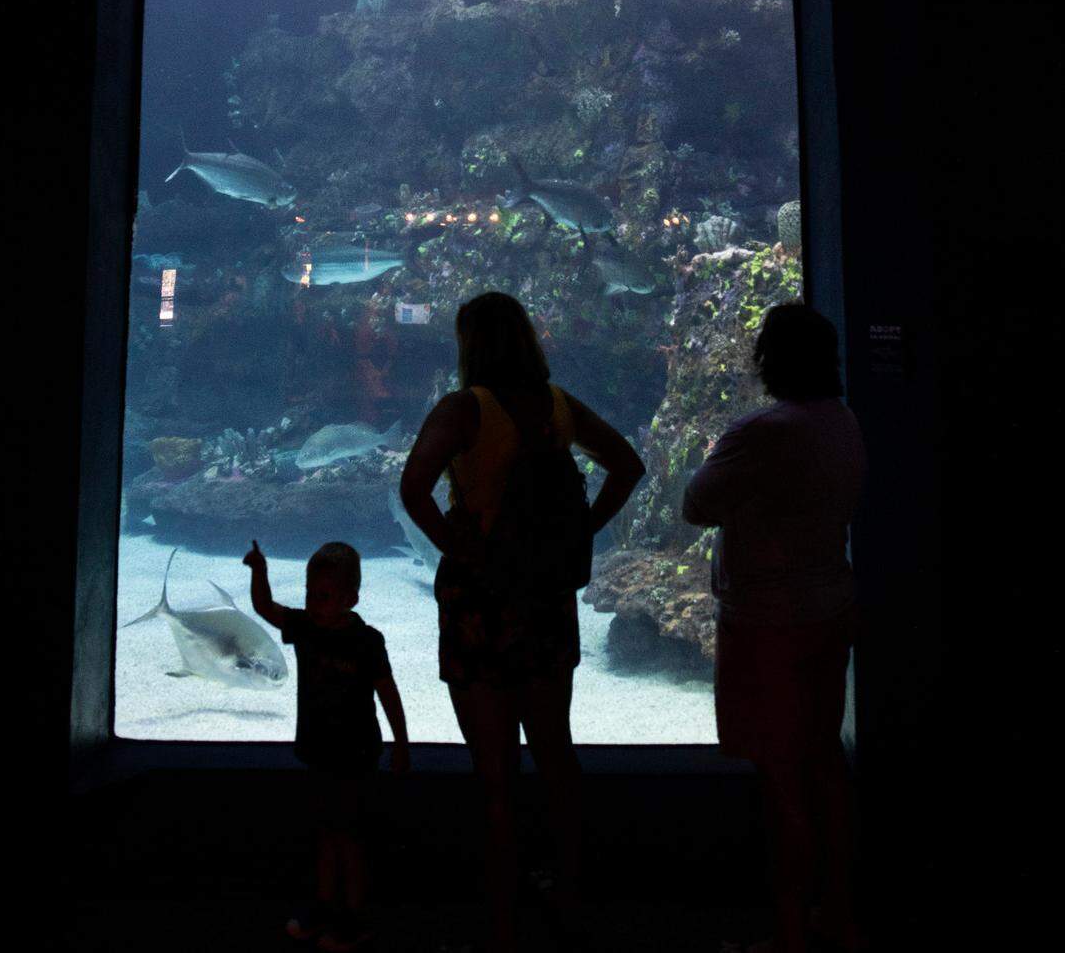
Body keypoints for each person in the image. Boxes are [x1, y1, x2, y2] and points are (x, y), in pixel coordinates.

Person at [399, 290, 645, 953]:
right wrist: (583, 531)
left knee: (497, 773)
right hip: (544, 599)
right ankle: (569, 896)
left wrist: (461, 547)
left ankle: (503, 919)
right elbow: (628, 464)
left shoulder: (465, 408)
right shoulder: (558, 404)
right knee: (556, 752)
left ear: (469, 343)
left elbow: (412, 486)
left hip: (481, 602)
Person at [682, 303, 867, 953]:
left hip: (768, 625)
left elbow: (695, 504)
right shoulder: (841, 420)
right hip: (830, 610)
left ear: (768, 358)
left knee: (782, 777)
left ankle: (789, 930)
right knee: (824, 766)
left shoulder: (761, 430)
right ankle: (839, 914)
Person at [244, 537, 410, 951]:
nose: (314, 603)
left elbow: (388, 692)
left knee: (349, 836)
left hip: (357, 754)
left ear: (351, 597)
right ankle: (324, 906)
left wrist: (402, 743)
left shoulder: (368, 640)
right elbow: (265, 609)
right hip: (317, 751)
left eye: (324, 596)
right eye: (310, 594)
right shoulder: (304, 628)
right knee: (325, 833)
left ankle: (355, 918)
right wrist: (259, 572)